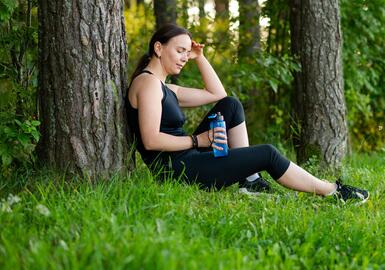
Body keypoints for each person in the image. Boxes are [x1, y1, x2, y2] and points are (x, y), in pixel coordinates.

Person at [125, 23, 369, 203]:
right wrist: (197, 140)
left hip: (185, 157)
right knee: (268, 154)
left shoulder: (165, 88)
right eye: (180, 51)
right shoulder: (147, 84)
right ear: (158, 47)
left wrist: (200, 57)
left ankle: (250, 181)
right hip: (175, 170)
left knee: (231, 104)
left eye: (187, 53)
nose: (184, 58)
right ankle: (333, 192)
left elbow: (217, 94)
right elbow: (151, 140)